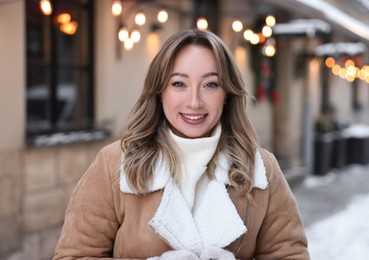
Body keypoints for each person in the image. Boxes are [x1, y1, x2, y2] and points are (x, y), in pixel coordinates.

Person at [53, 29, 309, 260]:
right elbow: (74, 255)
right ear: (159, 91)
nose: (194, 102)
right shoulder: (114, 164)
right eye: (179, 84)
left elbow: (289, 254)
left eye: (210, 84)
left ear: (227, 94)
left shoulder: (260, 170)